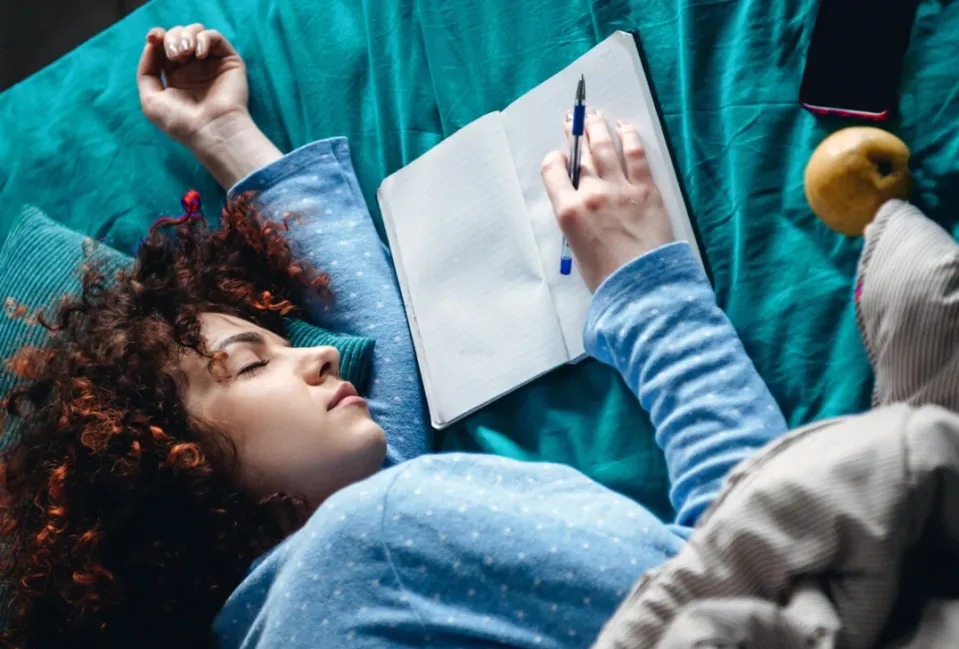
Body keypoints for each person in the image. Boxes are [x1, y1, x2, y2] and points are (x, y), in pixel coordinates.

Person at [0, 24, 788, 649]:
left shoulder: (299, 597)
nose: (320, 351)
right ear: (186, 473)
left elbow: (377, 362)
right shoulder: (370, 538)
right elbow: (755, 572)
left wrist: (224, 132)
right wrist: (644, 283)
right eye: (248, 363)